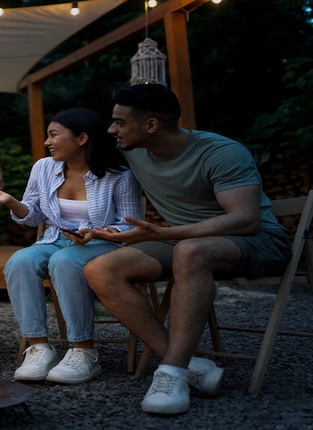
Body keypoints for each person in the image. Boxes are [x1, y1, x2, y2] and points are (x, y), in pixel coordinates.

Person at [84, 84, 291, 414]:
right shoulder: (130, 149)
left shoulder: (220, 152)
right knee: (101, 269)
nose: (112, 130)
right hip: (183, 242)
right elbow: (73, 158)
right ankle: (183, 363)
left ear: (151, 125)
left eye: (120, 122)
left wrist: (166, 232)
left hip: (258, 243)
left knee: (191, 252)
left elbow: (245, 220)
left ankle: (172, 373)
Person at [0, 108, 141, 384]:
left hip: (104, 245)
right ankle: (39, 347)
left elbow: (131, 226)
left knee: (64, 262)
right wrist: (10, 201)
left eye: (54, 135)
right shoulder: (43, 167)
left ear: (82, 138)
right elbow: (32, 217)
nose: (47, 142)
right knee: (20, 261)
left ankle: (84, 351)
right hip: (57, 239)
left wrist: (96, 234)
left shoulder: (119, 175)